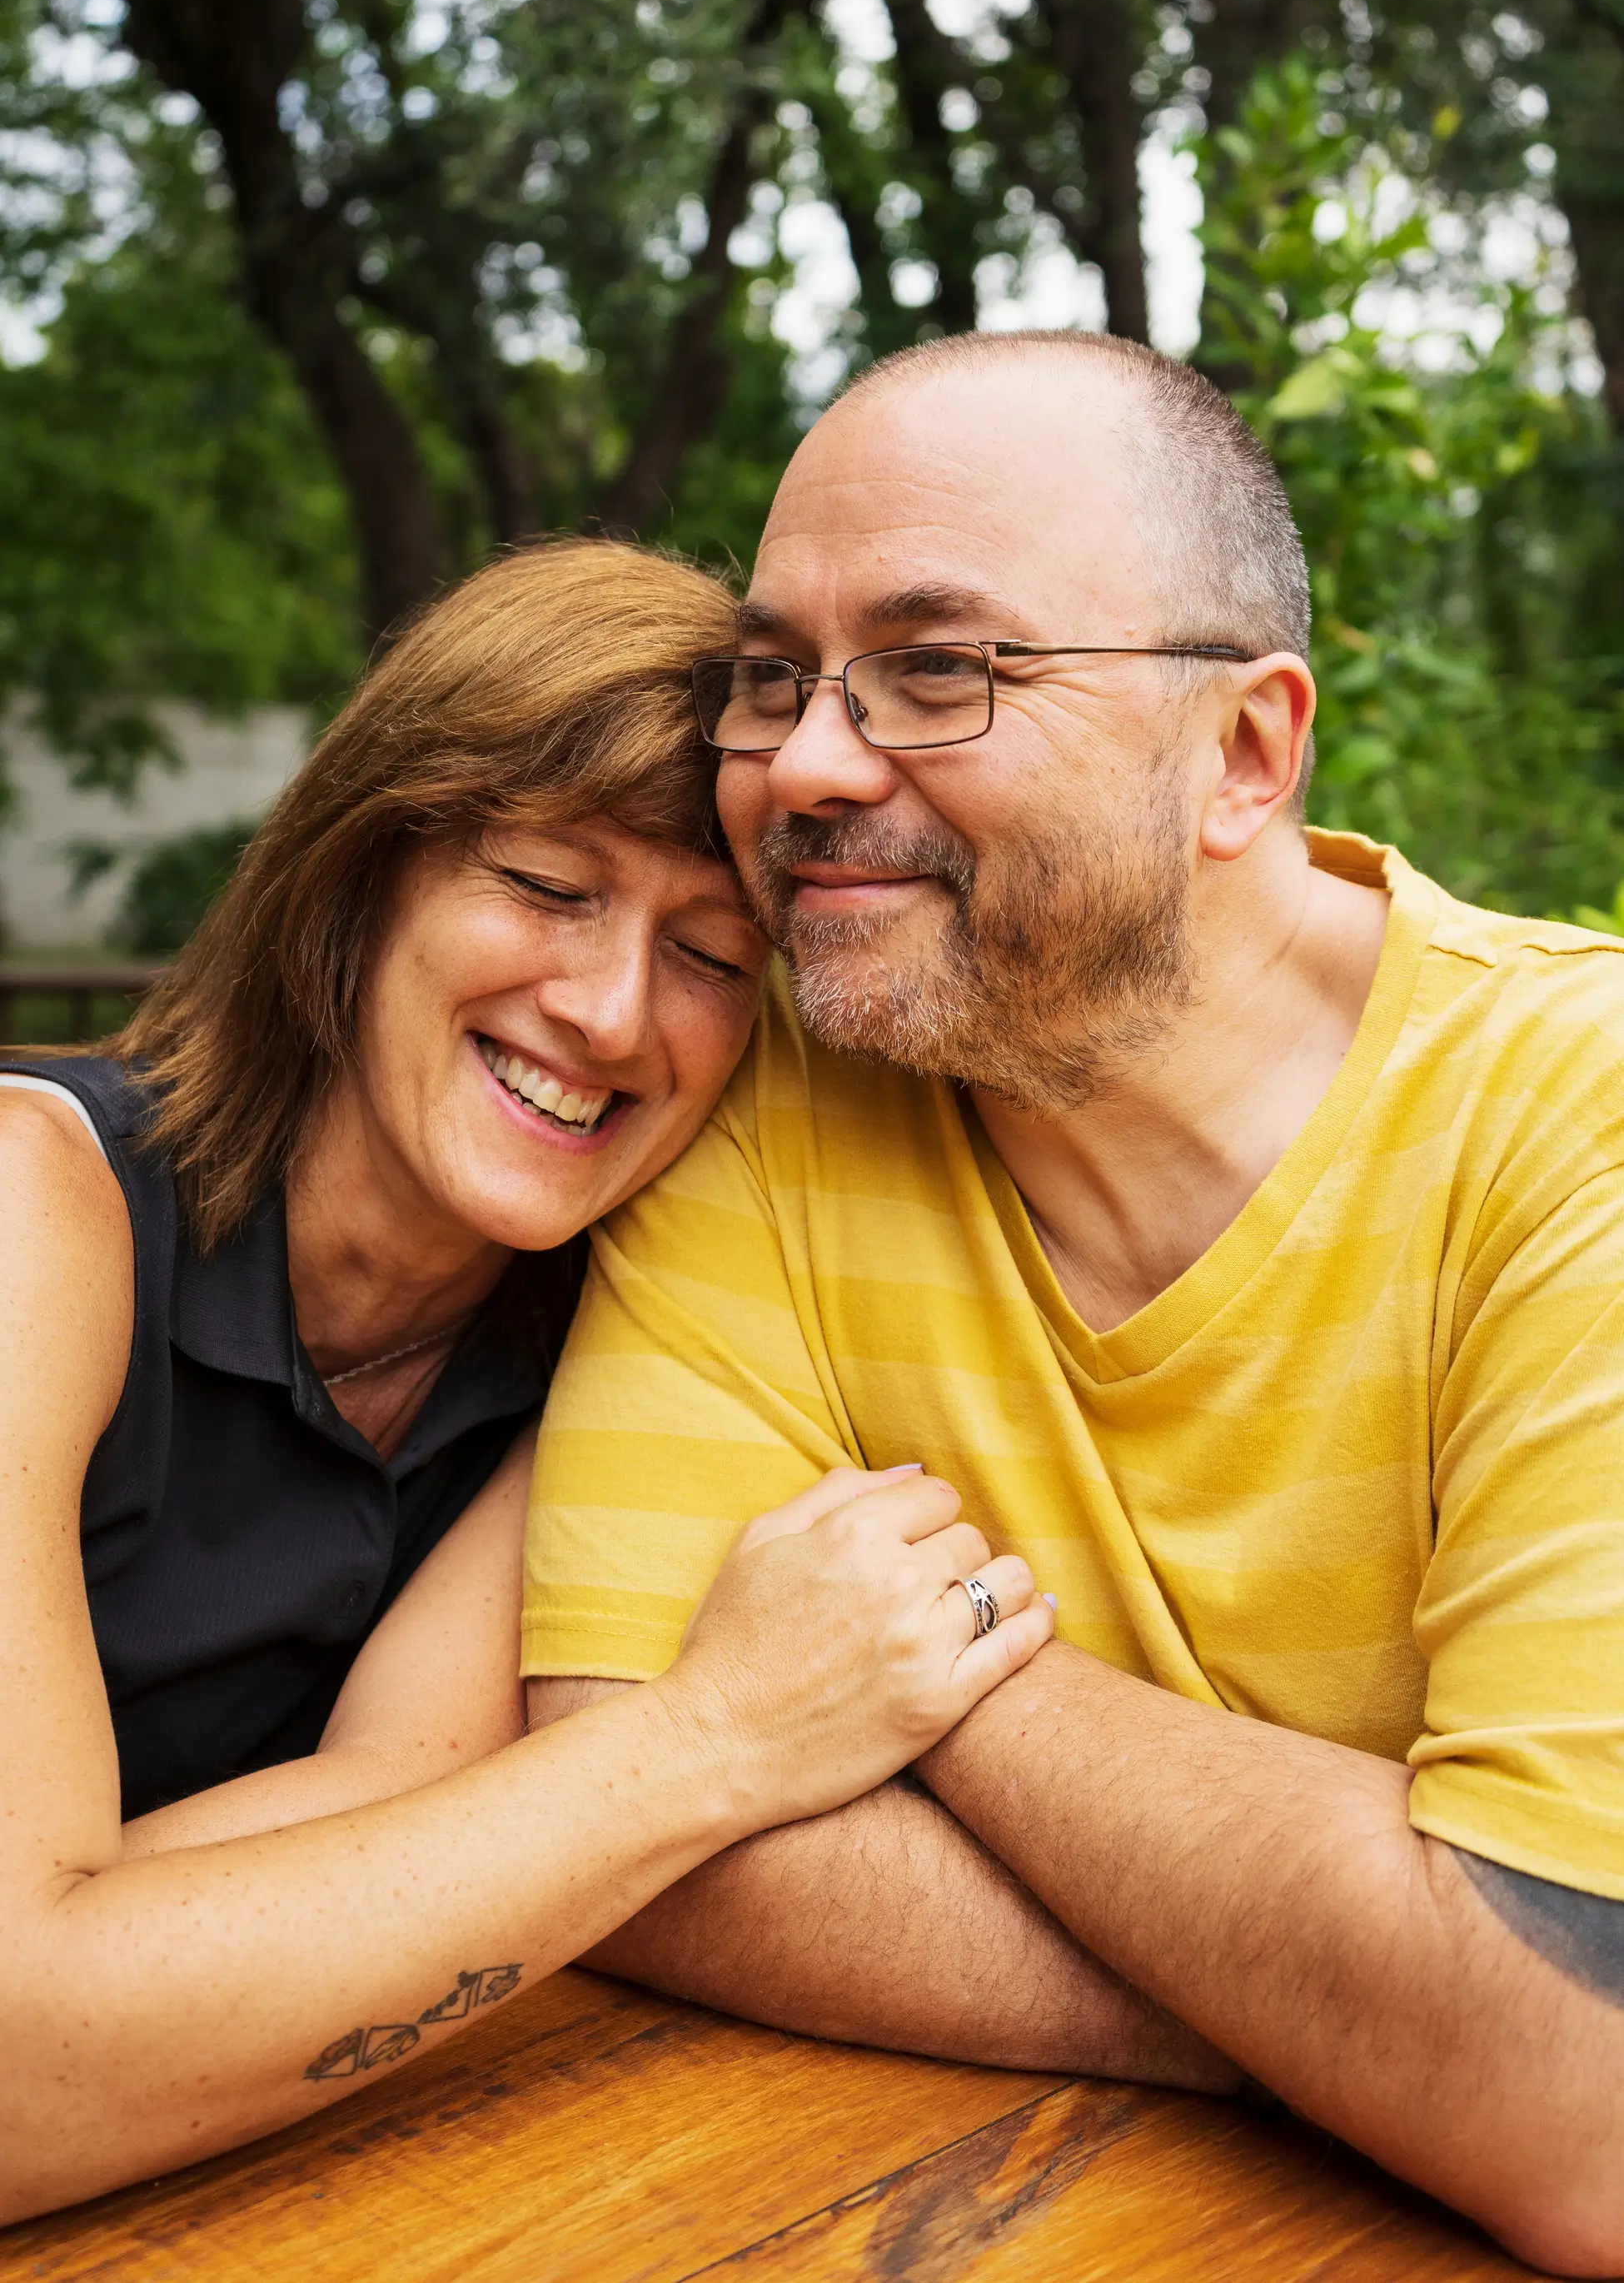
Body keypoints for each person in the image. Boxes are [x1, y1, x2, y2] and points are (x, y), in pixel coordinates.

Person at [520, 340, 1624, 2277]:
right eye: (773, 677)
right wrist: (1384, 2018)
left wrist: (927, 1666)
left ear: (1246, 755)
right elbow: (622, 1796)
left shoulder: (1582, 1118)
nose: (808, 762)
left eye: (942, 672)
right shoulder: (763, 1092)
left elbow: (1586, 2113)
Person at [0, 536, 1051, 2224]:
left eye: (713, 958)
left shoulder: (603, 1324)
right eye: (548, 888)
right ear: (362, 881)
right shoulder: (34, 1218)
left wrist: (91, 1950)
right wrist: (716, 1736)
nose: (610, 1011)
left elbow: (410, 1814)